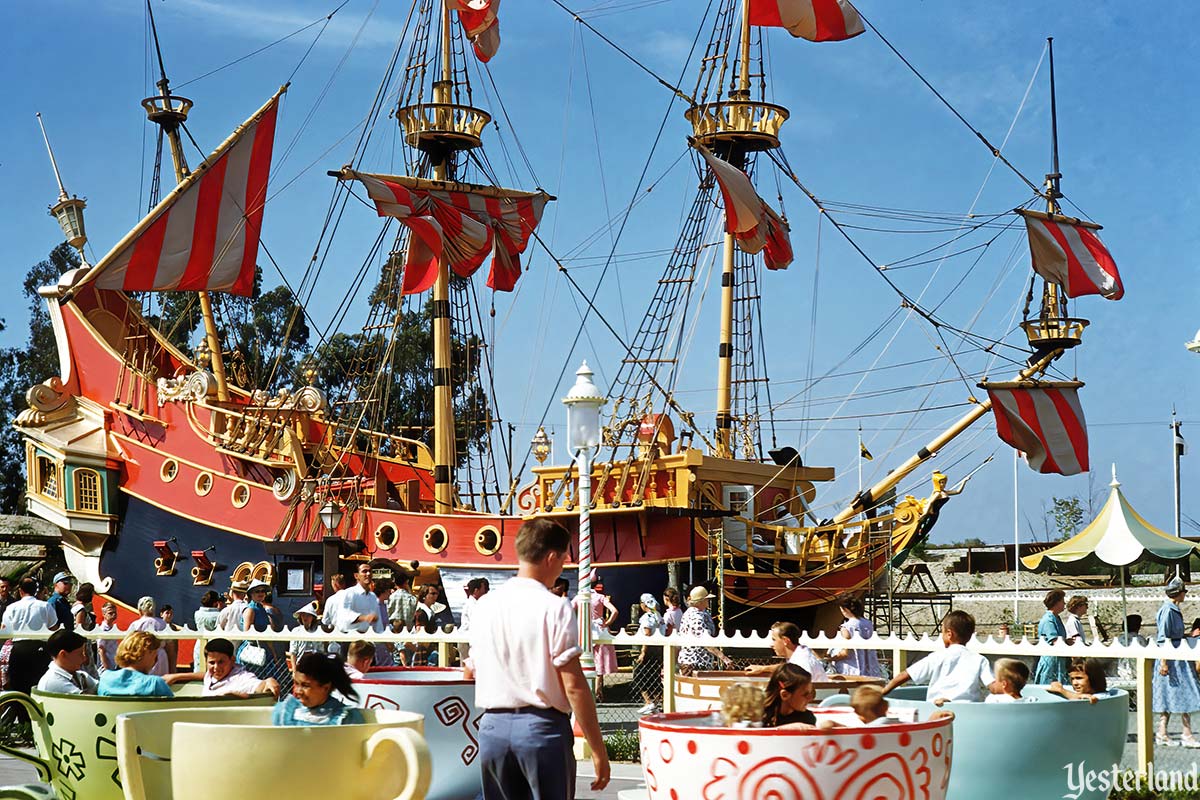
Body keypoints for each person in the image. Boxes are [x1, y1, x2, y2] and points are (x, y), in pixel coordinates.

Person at [465, 517, 610, 798]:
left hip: (492, 728)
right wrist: (597, 749)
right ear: (552, 557)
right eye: (563, 559)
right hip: (541, 730)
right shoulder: (555, 607)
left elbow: (471, 670)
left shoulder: (484, 607)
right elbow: (574, 685)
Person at [882, 610, 992, 703]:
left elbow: (905, 675)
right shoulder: (979, 660)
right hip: (968, 712)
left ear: (949, 634)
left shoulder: (936, 657)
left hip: (937, 711)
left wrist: (883, 691)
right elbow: (993, 685)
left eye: (942, 632)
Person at [1153, 577, 1200, 747]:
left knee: (1173, 695)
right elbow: (1164, 637)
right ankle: (1185, 734)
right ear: (1178, 593)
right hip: (1171, 658)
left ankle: (1163, 732)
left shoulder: (1172, 609)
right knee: (1184, 692)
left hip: (1176, 656)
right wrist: (1164, 662)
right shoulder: (1168, 610)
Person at [2, 577, 60, 696]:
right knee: (38, 684)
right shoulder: (45, 606)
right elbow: (54, 628)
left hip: (18, 649)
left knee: (18, 686)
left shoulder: (11, 608)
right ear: (35, 590)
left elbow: (5, 630)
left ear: (20, 591)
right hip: (40, 649)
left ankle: (21, 712)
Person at [273, 652, 365, 727]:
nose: (298, 691)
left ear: (325, 687)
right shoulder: (284, 711)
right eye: (296, 684)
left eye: (305, 685)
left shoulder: (346, 719)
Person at [97, 632, 187, 697]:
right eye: (155, 656)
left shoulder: (106, 678)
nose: (155, 662)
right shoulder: (154, 684)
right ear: (148, 653)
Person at [677, 586, 735, 675]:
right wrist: (724, 658)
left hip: (700, 664)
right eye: (706, 599)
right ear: (700, 601)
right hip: (693, 665)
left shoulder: (702, 613)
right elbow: (705, 641)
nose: (708, 601)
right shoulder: (695, 617)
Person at [745, 621, 827, 681]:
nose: (771, 644)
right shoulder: (800, 656)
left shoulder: (802, 660)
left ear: (785, 640)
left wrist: (763, 669)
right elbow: (789, 668)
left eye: (774, 639)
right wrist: (763, 669)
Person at [202, 639, 279, 697]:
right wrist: (189, 676)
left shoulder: (241, 678)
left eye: (221, 662)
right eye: (212, 663)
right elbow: (205, 675)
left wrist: (268, 682)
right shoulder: (211, 675)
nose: (216, 667)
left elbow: (258, 685)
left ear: (232, 660)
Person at [829, 597, 881, 677]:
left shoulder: (846, 627)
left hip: (852, 668)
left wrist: (830, 659)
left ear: (846, 610)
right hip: (870, 667)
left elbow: (845, 653)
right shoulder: (868, 623)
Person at [240, 580, 283, 673]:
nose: (261, 593)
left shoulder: (262, 609)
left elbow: (268, 633)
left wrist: (274, 655)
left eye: (263, 591)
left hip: (265, 651)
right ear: (251, 593)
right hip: (252, 652)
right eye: (257, 591)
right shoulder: (250, 610)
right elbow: (247, 635)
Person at [37, 630, 97, 695]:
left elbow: (100, 687)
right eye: (80, 654)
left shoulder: (81, 676)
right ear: (63, 655)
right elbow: (86, 701)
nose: (84, 658)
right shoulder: (53, 681)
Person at [1033, 589, 1072, 685]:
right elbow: (1055, 641)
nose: (1064, 603)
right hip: (1051, 661)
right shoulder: (1048, 620)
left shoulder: (1056, 617)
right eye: (1062, 601)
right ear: (1057, 602)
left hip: (1059, 660)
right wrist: (1067, 643)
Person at [590, 578, 619, 702]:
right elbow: (615, 611)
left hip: (587, 628)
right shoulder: (600, 597)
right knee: (599, 660)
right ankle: (598, 691)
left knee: (586, 659)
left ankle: (590, 690)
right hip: (600, 629)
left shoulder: (581, 598)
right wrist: (607, 623)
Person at [634, 593, 664, 715]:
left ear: (643, 604)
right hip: (658, 649)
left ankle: (648, 702)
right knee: (654, 676)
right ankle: (654, 702)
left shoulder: (647, 617)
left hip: (649, 649)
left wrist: (643, 652)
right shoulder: (658, 616)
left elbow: (647, 633)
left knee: (639, 675)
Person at [762, 663, 816, 728]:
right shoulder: (762, 716)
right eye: (805, 694)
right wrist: (785, 729)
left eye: (811, 693)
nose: (810, 699)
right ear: (785, 695)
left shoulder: (806, 718)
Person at [128, 596, 170, 675]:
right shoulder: (163, 623)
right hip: (161, 656)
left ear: (140, 610)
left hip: (142, 656)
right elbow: (169, 645)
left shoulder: (136, 624)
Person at [288, 601, 326, 668]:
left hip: (316, 664)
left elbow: (322, 651)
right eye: (303, 615)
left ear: (313, 617)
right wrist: (294, 670)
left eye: (308, 615)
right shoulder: (296, 631)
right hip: (301, 664)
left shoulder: (318, 631)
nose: (305, 617)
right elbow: (293, 652)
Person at [96, 601, 120, 673]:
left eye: (115, 612)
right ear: (104, 614)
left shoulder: (113, 628)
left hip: (114, 664)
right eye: (110, 613)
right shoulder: (103, 630)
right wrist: (107, 669)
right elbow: (101, 650)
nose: (113, 615)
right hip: (105, 668)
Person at [160, 605, 181, 671]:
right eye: (167, 613)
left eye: (171, 613)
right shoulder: (158, 626)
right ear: (161, 614)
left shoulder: (174, 628)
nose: (169, 615)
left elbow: (175, 645)